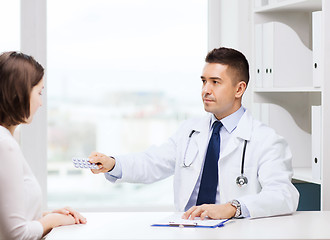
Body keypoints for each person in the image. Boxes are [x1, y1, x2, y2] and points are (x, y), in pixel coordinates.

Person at [89, 47, 299, 220]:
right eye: (203, 81)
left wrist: (233, 207)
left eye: (215, 82)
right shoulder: (190, 131)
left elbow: (283, 194)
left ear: (239, 89)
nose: (205, 90)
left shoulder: (266, 140)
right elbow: (152, 162)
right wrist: (114, 163)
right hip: (187, 229)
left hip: (235, 231)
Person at [0, 51, 86, 240]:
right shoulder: (1, 145)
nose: (41, 103)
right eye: (39, 92)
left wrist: (45, 216)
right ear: (20, 92)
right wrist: (53, 222)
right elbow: (15, 235)